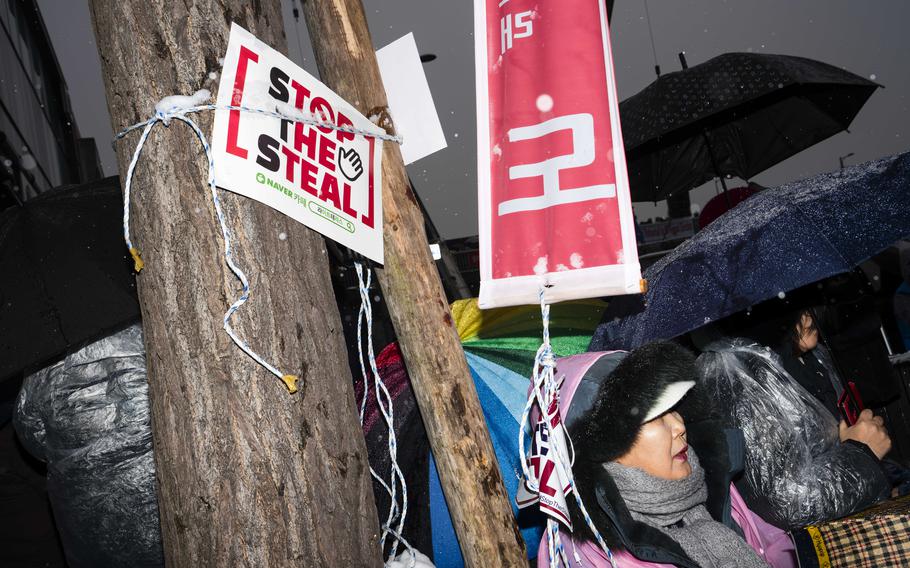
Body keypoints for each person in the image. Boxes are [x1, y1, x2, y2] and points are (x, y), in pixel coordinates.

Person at [537, 342, 795, 567]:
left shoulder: (709, 479)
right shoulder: (590, 557)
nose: (679, 426)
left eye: (674, 408)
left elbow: (771, 547)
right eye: (657, 416)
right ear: (606, 449)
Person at [697, 317, 892, 530]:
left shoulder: (809, 354)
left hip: (852, 514)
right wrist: (861, 453)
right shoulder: (735, 377)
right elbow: (788, 504)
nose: (811, 315)